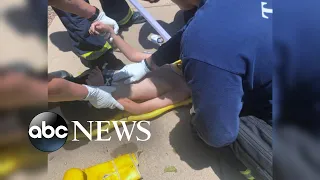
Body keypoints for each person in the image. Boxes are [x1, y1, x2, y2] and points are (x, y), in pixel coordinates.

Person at [49, 22, 190, 114]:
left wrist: (102, 88)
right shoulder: (171, 59)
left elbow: (139, 109)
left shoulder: (182, 89)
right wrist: (111, 33)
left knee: (65, 104)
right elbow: (133, 55)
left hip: (102, 102)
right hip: (96, 82)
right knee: (63, 83)